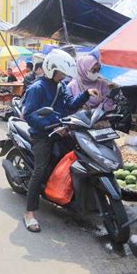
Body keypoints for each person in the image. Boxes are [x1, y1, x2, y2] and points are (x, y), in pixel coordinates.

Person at [22, 49, 99, 232]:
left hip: (61, 130)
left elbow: (70, 105)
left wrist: (86, 94)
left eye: (64, 73)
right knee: (40, 169)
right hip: (41, 134)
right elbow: (29, 115)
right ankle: (29, 213)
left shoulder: (60, 85)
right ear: (51, 69)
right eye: (61, 72)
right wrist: (51, 124)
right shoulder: (37, 88)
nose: (63, 76)